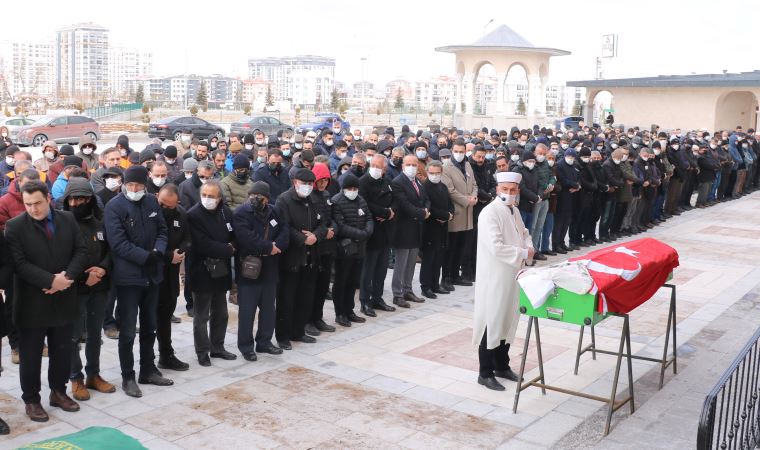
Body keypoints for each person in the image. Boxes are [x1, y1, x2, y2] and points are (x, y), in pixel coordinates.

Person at [6, 180, 88, 421]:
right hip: (32, 301)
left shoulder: (67, 219)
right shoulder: (14, 226)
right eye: (28, 204)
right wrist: (50, 281)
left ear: (49, 199)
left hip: (64, 297)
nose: (33, 209)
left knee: (62, 350)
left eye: (38, 203)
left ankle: (58, 392)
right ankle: (31, 399)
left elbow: (81, 251)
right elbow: (19, 264)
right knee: (30, 355)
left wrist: (67, 277)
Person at [104, 165, 172, 398]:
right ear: (124, 184)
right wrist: (145, 257)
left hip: (152, 275)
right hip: (128, 278)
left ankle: (148, 369)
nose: (134, 189)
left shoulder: (152, 202)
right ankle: (128, 375)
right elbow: (118, 244)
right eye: (130, 185)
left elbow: (163, 231)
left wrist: (159, 251)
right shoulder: (114, 207)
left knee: (150, 326)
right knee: (128, 330)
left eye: (138, 186)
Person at [473, 171, 534, 391]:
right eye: (504, 189)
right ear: (497, 189)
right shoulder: (489, 213)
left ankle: (502, 365)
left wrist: (529, 247)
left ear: (518, 191)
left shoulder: (514, 210)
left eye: (512, 190)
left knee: (509, 319)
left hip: (513, 274)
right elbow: (496, 246)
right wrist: (522, 252)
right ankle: (485, 372)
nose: (508, 193)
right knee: (493, 319)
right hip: (496, 275)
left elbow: (524, 232)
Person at [60, 178, 116, 402]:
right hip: (75, 290)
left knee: (94, 334)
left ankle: (94, 374)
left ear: (90, 200)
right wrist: (85, 276)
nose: (76, 203)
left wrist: (102, 269)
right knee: (74, 337)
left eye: (81, 198)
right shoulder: (63, 225)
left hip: (100, 288)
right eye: (72, 199)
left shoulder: (99, 222)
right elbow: (61, 258)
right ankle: (76, 377)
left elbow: (111, 250)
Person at [233, 181, 288, 361]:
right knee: (247, 310)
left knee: (268, 309)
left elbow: (284, 230)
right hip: (250, 267)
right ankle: (246, 346)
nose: (255, 199)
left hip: (270, 267)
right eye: (252, 196)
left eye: (259, 197)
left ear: (266, 198)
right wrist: (268, 247)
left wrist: (277, 246)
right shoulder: (241, 213)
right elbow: (245, 238)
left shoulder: (274, 211)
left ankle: (264, 341)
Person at [274, 168, 326, 349]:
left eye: (310, 184)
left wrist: (315, 236)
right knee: (286, 299)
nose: (307, 187)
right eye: (304, 184)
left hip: (311, 256)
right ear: (295, 182)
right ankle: (283, 336)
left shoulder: (313, 199)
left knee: (305, 297)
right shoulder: (284, 200)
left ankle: (298, 331)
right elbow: (284, 227)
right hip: (292, 258)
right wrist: (304, 239)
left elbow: (322, 222)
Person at [187, 179, 237, 366]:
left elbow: (234, 234)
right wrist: (228, 249)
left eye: (211, 196)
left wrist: (232, 246)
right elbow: (201, 244)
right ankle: (202, 351)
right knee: (202, 315)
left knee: (221, 313)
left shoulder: (225, 212)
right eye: (204, 195)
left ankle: (218, 347)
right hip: (201, 270)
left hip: (221, 270)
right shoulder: (193, 215)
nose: (207, 199)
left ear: (219, 198)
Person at [155, 184, 191, 372]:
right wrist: (169, 255)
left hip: (171, 274)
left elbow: (188, 237)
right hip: (153, 272)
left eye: (170, 206)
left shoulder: (181, 213)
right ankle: (149, 359)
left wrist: (181, 251)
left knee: (166, 315)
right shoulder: (150, 212)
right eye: (162, 204)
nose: (166, 209)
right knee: (151, 318)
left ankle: (166, 354)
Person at [330, 173, 373, 327]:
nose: (353, 191)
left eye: (355, 188)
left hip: (360, 248)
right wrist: (361, 234)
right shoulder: (336, 201)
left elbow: (369, 218)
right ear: (344, 188)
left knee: (353, 281)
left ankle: (350, 310)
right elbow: (339, 226)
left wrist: (367, 231)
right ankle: (339, 313)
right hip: (345, 249)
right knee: (341, 281)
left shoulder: (361, 200)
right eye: (350, 188)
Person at [357, 155, 397, 316]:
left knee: (381, 269)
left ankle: (378, 298)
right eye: (372, 165)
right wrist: (384, 212)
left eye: (378, 166)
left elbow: (395, 199)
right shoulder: (363, 182)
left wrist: (391, 212)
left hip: (386, 230)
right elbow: (364, 203)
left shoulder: (387, 181)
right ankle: (365, 301)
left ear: (384, 169)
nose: (374, 168)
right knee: (368, 269)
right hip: (372, 230)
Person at [390, 154, 430, 308]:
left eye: (415, 164)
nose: (412, 167)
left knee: (411, 262)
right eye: (409, 164)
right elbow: (404, 204)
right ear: (403, 166)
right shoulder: (398, 182)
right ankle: (398, 294)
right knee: (401, 263)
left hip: (416, 228)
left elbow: (426, 198)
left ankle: (408, 289)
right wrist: (422, 213)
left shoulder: (417, 182)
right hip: (403, 228)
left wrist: (426, 209)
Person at [442, 139, 478, 287]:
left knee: (462, 247)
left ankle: (456, 275)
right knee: (451, 248)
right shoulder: (446, 167)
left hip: (468, 214)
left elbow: (474, 184)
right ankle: (447, 277)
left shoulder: (468, 165)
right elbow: (450, 190)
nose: (459, 154)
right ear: (452, 151)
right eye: (456, 151)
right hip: (456, 213)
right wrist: (466, 200)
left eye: (461, 152)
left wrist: (474, 196)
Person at [309, 163, 338, 333]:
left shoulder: (327, 195)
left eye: (325, 180)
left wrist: (333, 228)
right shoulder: (310, 196)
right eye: (320, 180)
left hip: (328, 246)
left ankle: (318, 318)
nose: (322, 184)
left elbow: (332, 216)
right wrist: (324, 231)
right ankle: (308, 320)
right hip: (316, 246)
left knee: (323, 286)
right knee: (311, 286)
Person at [419, 161, 453, 299]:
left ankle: (435, 284)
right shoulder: (424, 187)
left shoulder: (443, 186)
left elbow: (450, 204)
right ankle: (425, 286)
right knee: (429, 259)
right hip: (430, 227)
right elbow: (428, 207)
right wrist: (444, 215)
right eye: (432, 173)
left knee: (439, 257)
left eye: (437, 173)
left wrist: (450, 214)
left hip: (442, 227)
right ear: (427, 173)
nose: (434, 175)